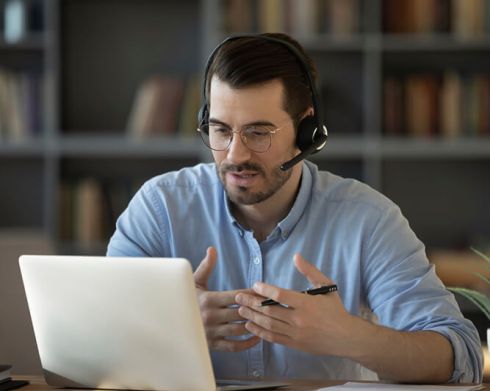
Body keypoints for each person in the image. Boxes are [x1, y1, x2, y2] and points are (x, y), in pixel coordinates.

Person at [107, 33, 483, 383]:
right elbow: (96, 332)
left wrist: (349, 337)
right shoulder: (159, 208)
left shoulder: (368, 219)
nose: (235, 155)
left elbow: (461, 356)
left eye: (258, 133)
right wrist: (172, 325)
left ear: (307, 131)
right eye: (221, 130)